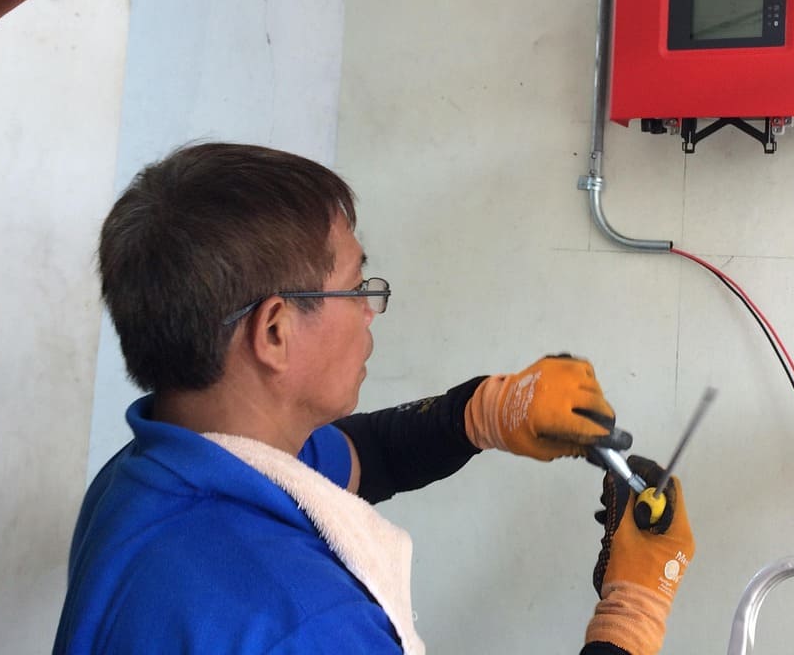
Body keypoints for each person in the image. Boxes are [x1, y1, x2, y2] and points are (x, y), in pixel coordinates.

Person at [54, 142, 694, 655]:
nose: (370, 311)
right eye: (356, 287)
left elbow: (360, 459)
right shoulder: (305, 623)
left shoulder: (149, 477)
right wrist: (630, 618)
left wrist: (484, 412)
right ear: (274, 331)